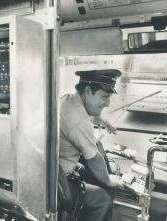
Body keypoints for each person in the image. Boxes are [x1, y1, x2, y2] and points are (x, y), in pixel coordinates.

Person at [59, 69, 124, 221]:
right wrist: (109, 180)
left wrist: (106, 123)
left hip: (57, 168)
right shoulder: (79, 121)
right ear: (88, 91)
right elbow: (94, 158)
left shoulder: (68, 100)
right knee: (103, 199)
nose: (108, 103)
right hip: (59, 179)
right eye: (105, 96)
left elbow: (92, 115)